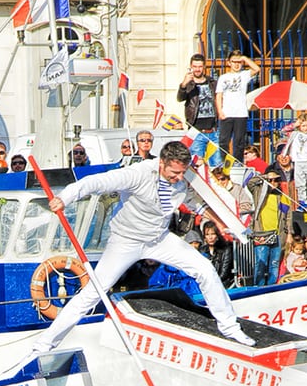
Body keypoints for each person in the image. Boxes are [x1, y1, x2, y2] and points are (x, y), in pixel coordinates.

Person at [27, 141, 256, 354]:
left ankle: (230, 328)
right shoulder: (139, 174)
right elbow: (95, 182)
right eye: (173, 173)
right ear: (161, 163)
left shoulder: (183, 178)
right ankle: (44, 344)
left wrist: (220, 223)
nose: (178, 178)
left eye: (181, 173)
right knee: (93, 292)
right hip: (126, 240)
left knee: (205, 268)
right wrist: (66, 197)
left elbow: (194, 203)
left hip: (159, 238)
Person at [215, 52, 258, 161]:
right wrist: (220, 111)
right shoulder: (223, 77)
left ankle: (238, 162)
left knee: (239, 141)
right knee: (224, 140)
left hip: (240, 113)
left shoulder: (244, 75)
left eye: (239, 62)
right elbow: (219, 95)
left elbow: (257, 69)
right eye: (234, 61)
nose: (237, 64)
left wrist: (244, 58)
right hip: (227, 113)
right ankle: (225, 162)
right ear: (229, 63)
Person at [177, 53, 219, 165]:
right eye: (195, 66)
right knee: (196, 165)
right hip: (196, 131)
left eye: (200, 66)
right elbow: (179, 98)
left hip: (214, 130)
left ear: (204, 67)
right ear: (191, 66)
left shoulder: (212, 82)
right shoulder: (189, 84)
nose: (197, 69)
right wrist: (184, 84)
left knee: (218, 166)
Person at [247, 172, 288, 286]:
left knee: (274, 264)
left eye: (276, 180)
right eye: (271, 180)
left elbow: (287, 215)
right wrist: (265, 177)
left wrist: (289, 233)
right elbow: (250, 182)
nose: (274, 183)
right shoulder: (259, 191)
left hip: (277, 233)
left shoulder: (281, 195)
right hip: (261, 233)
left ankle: (272, 287)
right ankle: (259, 288)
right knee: (261, 263)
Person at [282, 112, 307, 208]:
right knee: (300, 182)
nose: (306, 128)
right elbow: (283, 131)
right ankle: (303, 201)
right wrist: (295, 125)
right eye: (303, 126)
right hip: (298, 161)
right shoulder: (295, 133)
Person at [198, 220, 235, 287]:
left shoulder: (226, 249)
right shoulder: (201, 250)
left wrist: (213, 283)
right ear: (204, 237)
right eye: (207, 234)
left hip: (222, 284)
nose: (210, 237)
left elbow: (224, 273)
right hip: (206, 284)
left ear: (217, 235)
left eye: (213, 234)